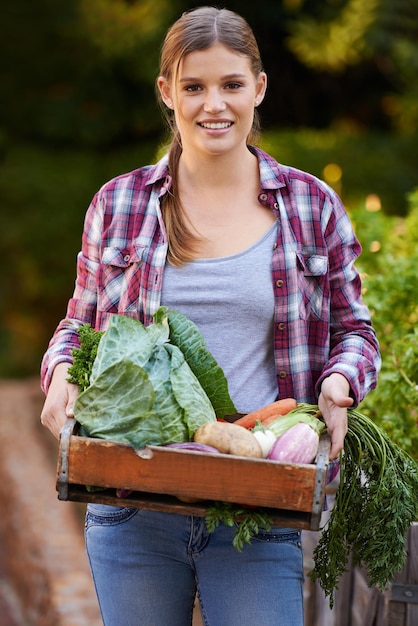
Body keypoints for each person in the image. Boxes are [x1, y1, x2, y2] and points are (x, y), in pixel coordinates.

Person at [40, 6, 380, 625]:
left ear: (259, 88)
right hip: (133, 494)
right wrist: (61, 369)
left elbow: (354, 329)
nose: (213, 104)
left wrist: (339, 384)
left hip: (257, 502)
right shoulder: (120, 203)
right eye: (193, 87)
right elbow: (78, 327)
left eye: (230, 84)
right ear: (167, 92)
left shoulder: (310, 204)